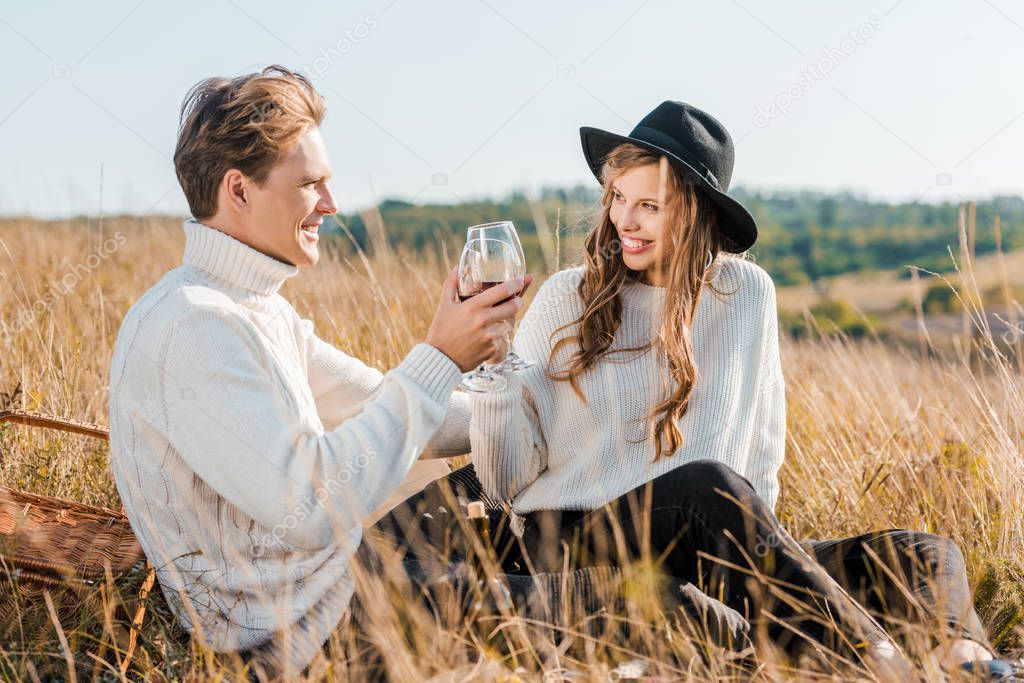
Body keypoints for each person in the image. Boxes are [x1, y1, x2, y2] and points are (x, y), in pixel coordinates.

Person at [382, 101, 1007, 678]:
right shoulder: (564, 299)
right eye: (618, 197)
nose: (624, 219)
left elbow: (761, 448)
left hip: (709, 534)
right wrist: (492, 378)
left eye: (649, 206)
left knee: (919, 551)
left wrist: (760, 555)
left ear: (696, 212)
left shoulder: (745, 295)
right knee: (703, 484)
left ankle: (969, 658)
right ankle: (878, 663)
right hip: (578, 540)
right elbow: (504, 484)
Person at [107, 65, 528, 678]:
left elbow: (376, 402)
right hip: (306, 634)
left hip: (343, 577)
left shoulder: (257, 309)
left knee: (648, 503)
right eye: (311, 184)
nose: (332, 204)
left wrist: (528, 408)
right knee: (640, 605)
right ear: (240, 191)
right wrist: (440, 357)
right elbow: (305, 507)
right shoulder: (192, 326)